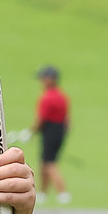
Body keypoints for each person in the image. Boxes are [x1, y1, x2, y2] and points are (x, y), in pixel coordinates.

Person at [30, 65, 72, 204]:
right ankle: (42, 193)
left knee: (49, 163)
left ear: (51, 79)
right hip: (60, 131)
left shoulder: (47, 97)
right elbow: (68, 120)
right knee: (44, 162)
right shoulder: (62, 96)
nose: (41, 81)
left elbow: (41, 119)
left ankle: (62, 192)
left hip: (50, 131)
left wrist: (30, 132)